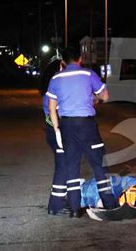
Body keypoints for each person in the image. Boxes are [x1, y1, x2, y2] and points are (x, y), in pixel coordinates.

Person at [46, 47, 118, 218]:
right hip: (86, 125)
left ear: (62, 61)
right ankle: (109, 204)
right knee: (99, 164)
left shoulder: (55, 78)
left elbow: (51, 108)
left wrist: (57, 130)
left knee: (72, 167)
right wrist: (94, 97)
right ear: (80, 59)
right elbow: (105, 96)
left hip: (66, 126)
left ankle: (73, 208)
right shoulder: (88, 74)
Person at [42, 59, 69, 215]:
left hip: (56, 132)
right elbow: (54, 115)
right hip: (57, 133)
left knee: (65, 166)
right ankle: (56, 205)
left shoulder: (53, 91)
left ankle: (60, 202)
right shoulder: (52, 93)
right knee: (63, 167)